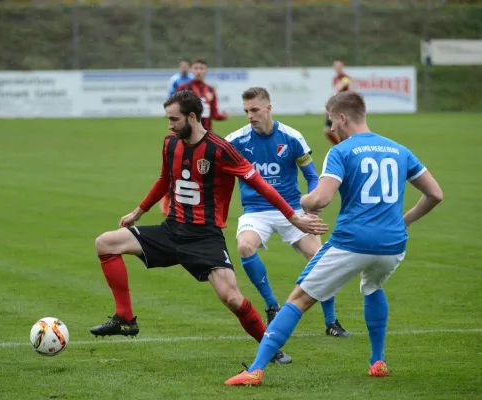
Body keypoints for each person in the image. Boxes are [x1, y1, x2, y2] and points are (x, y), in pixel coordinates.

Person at [90, 90, 329, 364]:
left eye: (174, 119)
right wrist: (138, 211)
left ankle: (271, 348)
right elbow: (164, 179)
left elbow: (260, 184)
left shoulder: (221, 150)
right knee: (105, 243)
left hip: (205, 238)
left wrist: (292, 215)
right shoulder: (170, 144)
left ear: (192, 117)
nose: (169, 125)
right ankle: (125, 319)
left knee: (232, 298)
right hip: (171, 230)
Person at [225, 91, 443, 386]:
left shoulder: (341, 151)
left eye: (331, 122)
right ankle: (377, 361)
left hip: (352, 242)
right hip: (393, 245)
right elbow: (435, 194)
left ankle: (255, 369)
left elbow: (320, 200)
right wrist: (403, 221)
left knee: (299, 299)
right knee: (373, 285)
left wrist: (303, 202)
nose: (331, 129)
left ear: (342, 118)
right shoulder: (399, 150)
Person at [225, 87, 350, 338]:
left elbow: (312, 176)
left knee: (319, 258)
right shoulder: (235, 141)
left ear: (268, 108)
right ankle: (272, 305)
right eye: (247, 111)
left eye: (255, 110)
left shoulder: (291, 137)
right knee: (245, 247)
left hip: (292, 209)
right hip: (256, 210)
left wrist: (312, 208)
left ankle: (332, 322)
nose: (250, 115)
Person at [160, 58, 229, 216]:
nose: (198, 71)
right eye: (196, 68)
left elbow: (213, 113)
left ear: (206, 70)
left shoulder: (210, 90)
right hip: (187, 136)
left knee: (206, 172)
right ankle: (167, 197)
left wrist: (222, 116)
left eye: (201, 68)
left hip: (206, 137)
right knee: (178, 170)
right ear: (192, 70)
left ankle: (205, 202)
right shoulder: (184, 88)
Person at [324, 60, 352, 145]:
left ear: (342, 67)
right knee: (327, 131)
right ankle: (338, 146)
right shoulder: (335, 78)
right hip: (336, 106)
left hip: (343, 107)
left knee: (343, 131)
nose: (337, 68)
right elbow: (336, 92)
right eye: (336, 67)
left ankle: (344, 147)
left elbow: (341, 87)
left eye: (339, 66)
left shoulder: (345, 78)